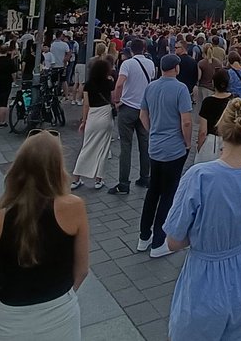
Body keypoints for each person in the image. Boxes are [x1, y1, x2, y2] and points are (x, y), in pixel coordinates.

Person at [163, 98, 241, 341]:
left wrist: (204, 232)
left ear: (220, 128)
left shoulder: (199, 176)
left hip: (204, 279)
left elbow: (173, 241)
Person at [0, 130, 89, 339]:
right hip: (61, 318)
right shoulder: (73, 208)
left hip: (8, 323)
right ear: (58, 168)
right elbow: (82, 270)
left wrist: (0, 325)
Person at [136, 54, 192, 257]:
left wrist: (153, 131)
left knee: (153, 192)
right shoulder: (180, 89)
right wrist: (187, 142)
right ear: (176, 68)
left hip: (156, 146)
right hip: (174, 148)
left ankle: (144, 237)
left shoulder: (151, 87)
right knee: (168, 195)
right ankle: (159, 241)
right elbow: (186, 120)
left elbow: (143, 114)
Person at [108, 37, 156, 195]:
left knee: (126, 146)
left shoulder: (127, 64)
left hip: (127, 107)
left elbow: (120, 83)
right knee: (144, 144)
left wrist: (116, 99)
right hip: (144, 108)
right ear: (144, 49)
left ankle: (123, 183)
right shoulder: (150, 64)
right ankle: (145, 177)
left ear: (131, 49)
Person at [71, 58, 117, 191]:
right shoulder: (109, 82)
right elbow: (113, 99)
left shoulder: (89, 84)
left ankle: (76, 179)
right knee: (103, 149)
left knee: (86, 147)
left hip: (92, 115)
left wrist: (83, 121)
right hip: (105, 115)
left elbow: (86, 104)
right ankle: (99, 179)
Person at [195, 69, 233, 164]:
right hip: (230, 141)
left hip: (212, 142)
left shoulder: (208, 102)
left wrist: (199, 147)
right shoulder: (234, 100)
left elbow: (202, 131)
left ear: (213, 83)